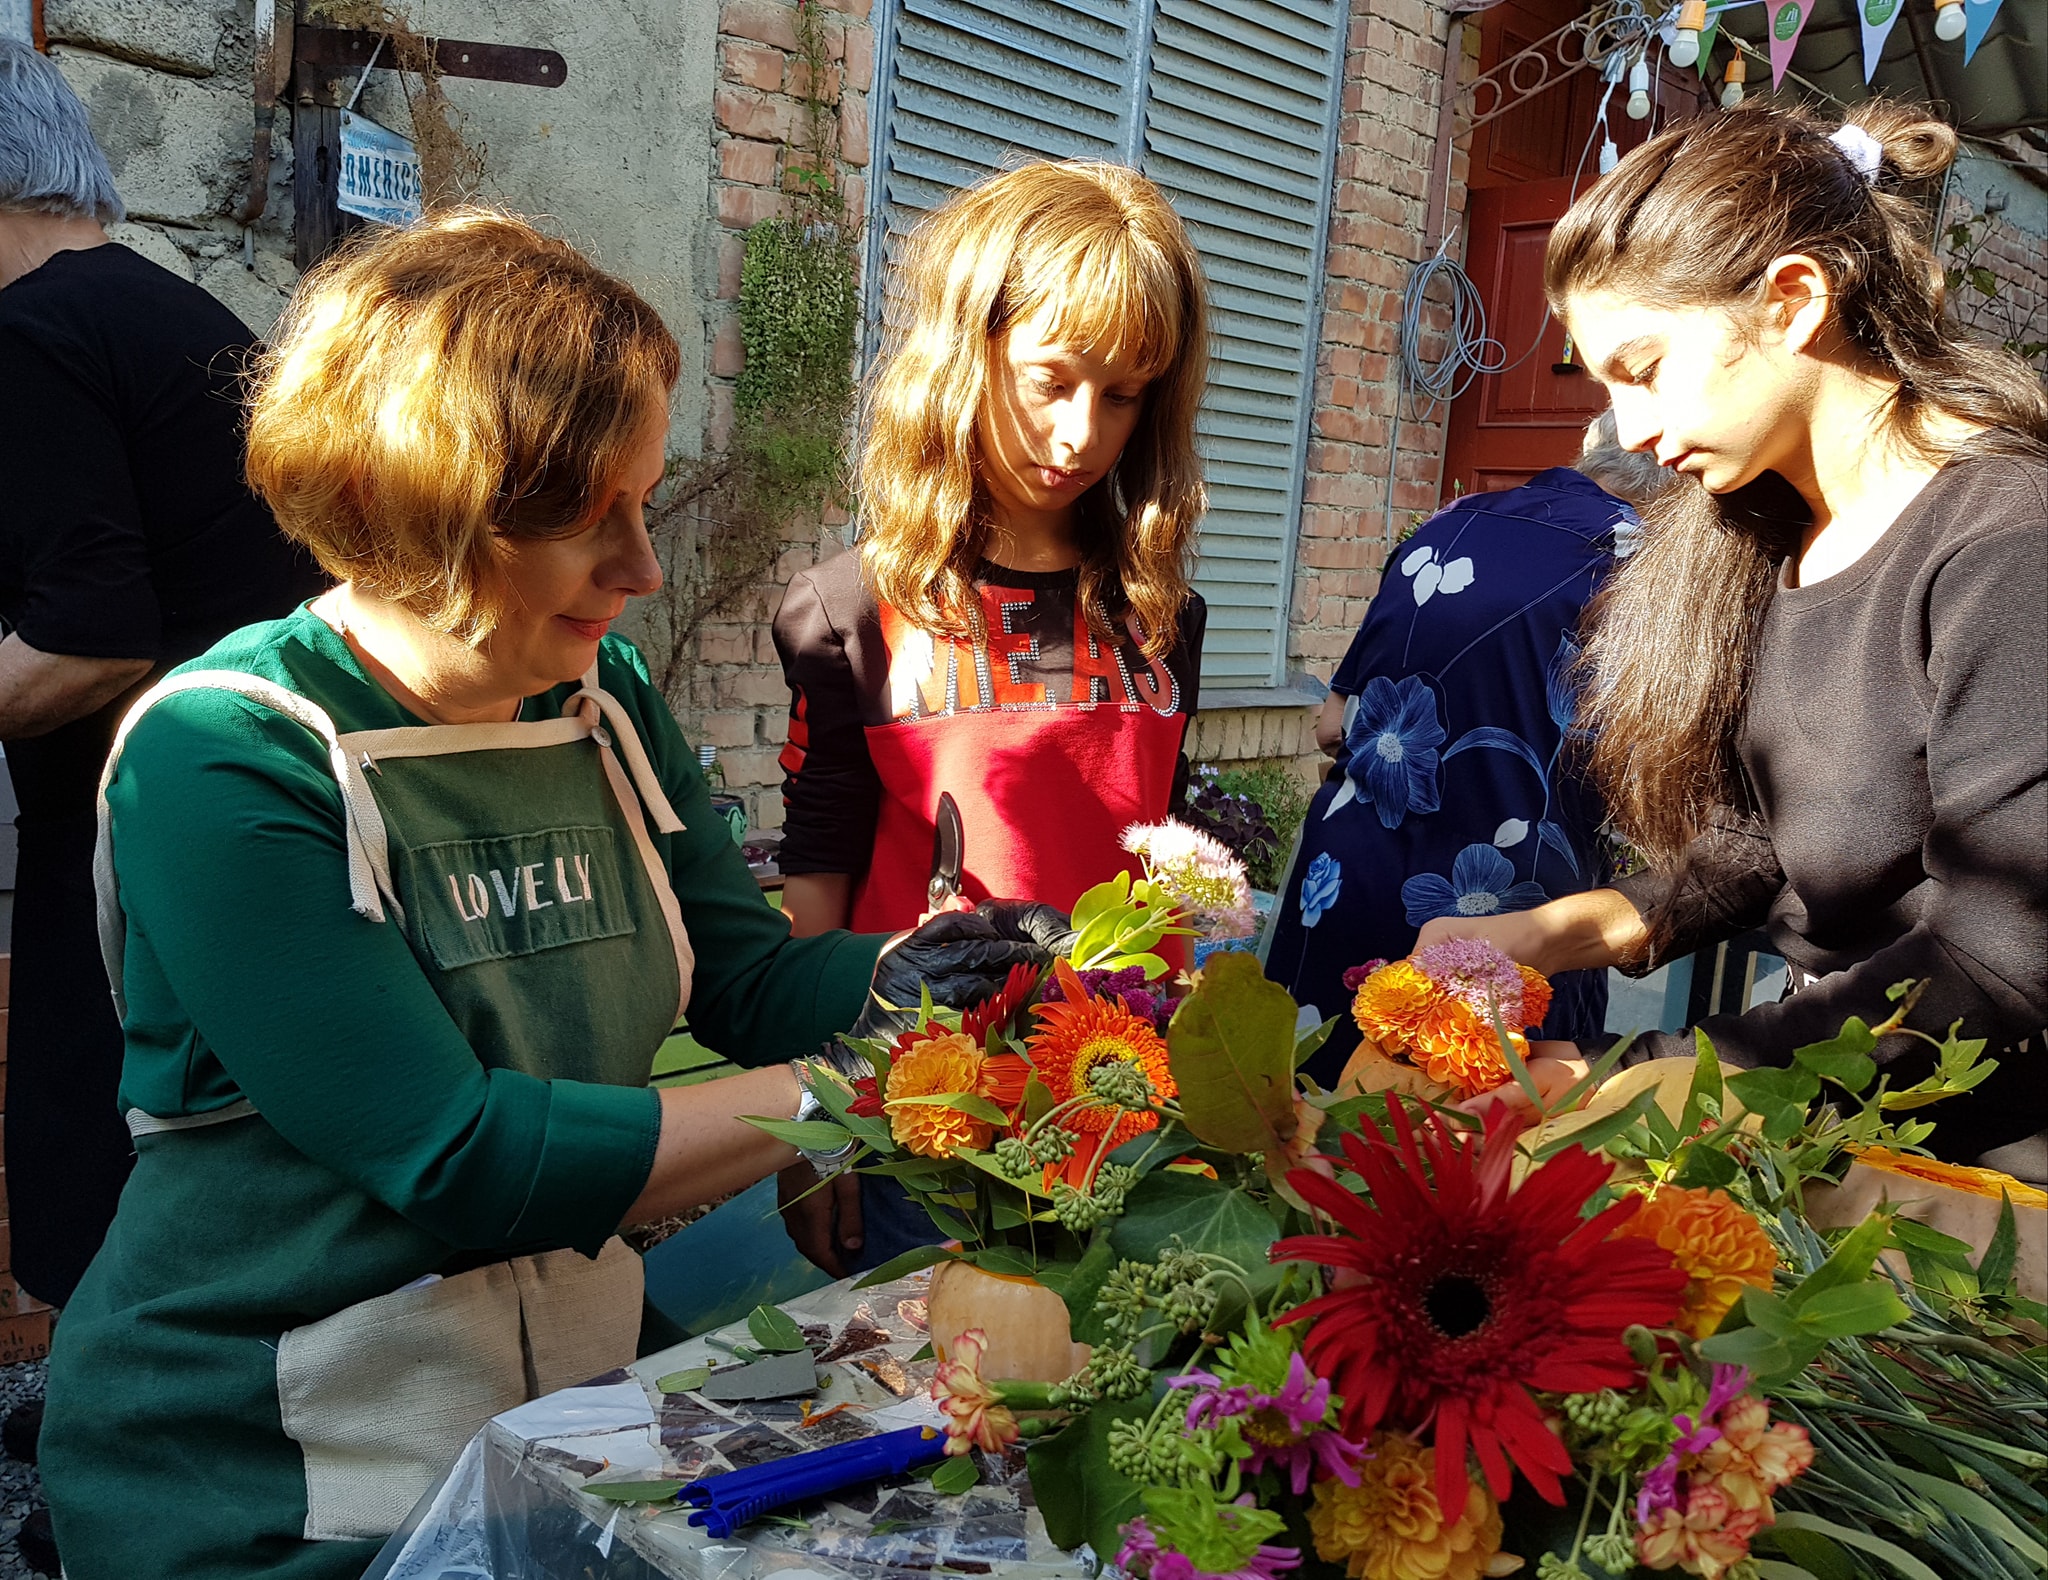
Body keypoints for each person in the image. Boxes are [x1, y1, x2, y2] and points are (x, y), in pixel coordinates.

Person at [39, 210, 1059, 1580]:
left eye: (644, 499)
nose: (643, 568)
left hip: (549, 1429)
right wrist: (861, 1083)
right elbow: (457, 1158)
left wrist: (919, 976)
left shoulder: (600, 699)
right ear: (417, 505)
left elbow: (748, 981)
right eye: (589, 518)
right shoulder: (227, 752)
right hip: (271, 1471)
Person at [1417, 102, 2048, 1178]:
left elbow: (2001, 956)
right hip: (1823, 1124)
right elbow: (1762, 846)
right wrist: (1550, 933)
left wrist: (1644, 1081)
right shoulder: (1777, 534)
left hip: (1961, 1174)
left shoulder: (2007, 544)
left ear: (1794, 300)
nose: (1628, 429)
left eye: (1645, 366)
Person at [770, 160, 1211, 1271]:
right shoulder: (849, 610)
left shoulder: (1164, 614)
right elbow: (818, 874)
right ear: (965, 354)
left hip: (1125, 1099)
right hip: (929, 1111)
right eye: (1050, 380)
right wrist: (818, 1111)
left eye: (1123, 395)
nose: (1080, 434)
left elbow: (1154, 853)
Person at [0, 38, 326, 1315]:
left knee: (103, 1193)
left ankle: (106, 1420)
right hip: (263, 816)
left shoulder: (28, 331)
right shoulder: (170, 310)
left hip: (142, 838)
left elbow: (92, 637)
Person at [1264, 413, 1674, 1086]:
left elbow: (1332, 724)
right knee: (1471, 1132)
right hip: (1507, 918)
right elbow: (1645, 777)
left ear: (1588, 451)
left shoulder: (1445, 525)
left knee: (1308, 1102)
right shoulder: (1645, 564)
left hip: (1343, 883)